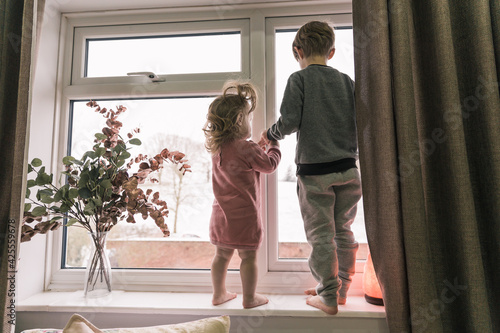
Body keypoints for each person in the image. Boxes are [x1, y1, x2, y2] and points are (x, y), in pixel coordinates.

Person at [260, 21, 361, 315]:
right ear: (331, 51)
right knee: (343, 230)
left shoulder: (299, 79)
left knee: (320, 235)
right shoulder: (347, 82)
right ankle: (340, 289)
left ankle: (328, 294)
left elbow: (289, 122)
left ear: (297, 51)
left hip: (315, 173)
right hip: (348, 170)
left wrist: (270, 134)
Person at [203, 81, 281, 309]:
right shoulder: (247, 148)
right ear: (239, 121)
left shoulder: (219, 148)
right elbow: (268, 165)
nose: (250, 121)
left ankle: (218, 294)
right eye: (248, 117)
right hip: (244, 217)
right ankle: (250, 298)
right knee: (248, 258)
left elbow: (240, 160)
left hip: (220, 216)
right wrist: (273, 145)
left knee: (221, 256)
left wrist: (258, 146)